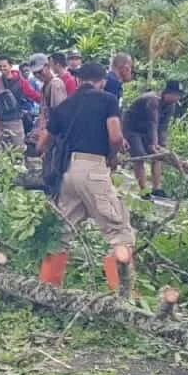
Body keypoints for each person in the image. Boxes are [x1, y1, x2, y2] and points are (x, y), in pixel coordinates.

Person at [37, 62, 134, 292]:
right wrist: (113, 156)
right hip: (94, 169)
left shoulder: (65, 105)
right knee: (119, 232)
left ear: (79, 80)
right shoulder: (108, 100)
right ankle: (122, 297)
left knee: (61, 233)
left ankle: (47, 290)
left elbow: (42, 144)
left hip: (68, 172)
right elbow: (115, 136)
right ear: (101, 80)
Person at [123, 80, 183, 199]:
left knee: (158, 156)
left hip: (147, 130)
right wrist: (154, 144)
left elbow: (163, 127)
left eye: (179, 95)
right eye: (175, 94)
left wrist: (162, 146)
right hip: (132, 128)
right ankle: (143, 190)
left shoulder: (171, 106)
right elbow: (153, 123)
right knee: (140, 156)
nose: (177, 97)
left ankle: (157, 188)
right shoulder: (153, 100)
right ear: (166, 92)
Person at [0, 56, 41, 149]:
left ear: (11, 66)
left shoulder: (21, 82)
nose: (2, 68)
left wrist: (46, 101)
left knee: (18, 149)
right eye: (0, 66)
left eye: (4, 66)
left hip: (15, 120)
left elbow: (33, 95)